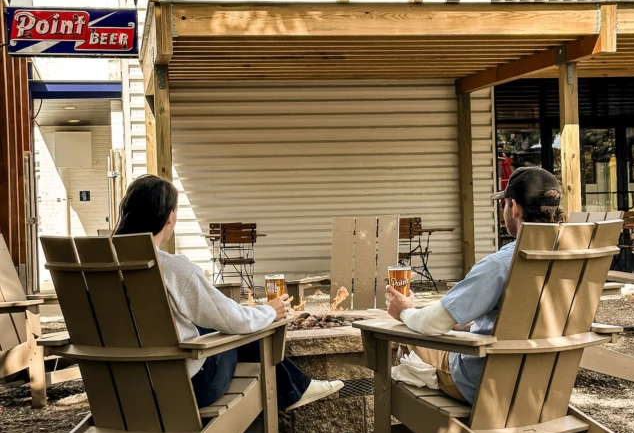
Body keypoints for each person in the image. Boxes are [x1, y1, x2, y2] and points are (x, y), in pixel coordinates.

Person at [114, 175, 343, 411]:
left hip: (119, 390)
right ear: (170, 218)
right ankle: (294, 391)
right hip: (184, 389)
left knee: (214, 324)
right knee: (244, 331)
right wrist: (268, 311)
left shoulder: (96, 270)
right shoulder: (172, 269)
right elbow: (233, 320)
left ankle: (295, 390)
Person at [386, 167, 562, 404]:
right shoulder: (571, 258)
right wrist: (477, 323)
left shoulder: (501, 264)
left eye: (505, 205)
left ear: (515, 208)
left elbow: (430, 323)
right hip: (547, 382)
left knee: (410, 335)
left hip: (487, 383)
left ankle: (418, 427)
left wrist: (405, 310)